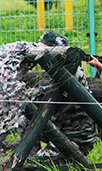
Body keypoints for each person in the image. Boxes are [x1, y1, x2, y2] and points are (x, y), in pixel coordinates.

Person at [32, 31, 97, 160]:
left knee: (38, 162)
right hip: (61, 129)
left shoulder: (70, 72)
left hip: (77, 137)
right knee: (25, 121)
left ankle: (36, 163)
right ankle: (28, 157)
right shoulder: (56, 69)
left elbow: (54, 100)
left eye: (43, 50)